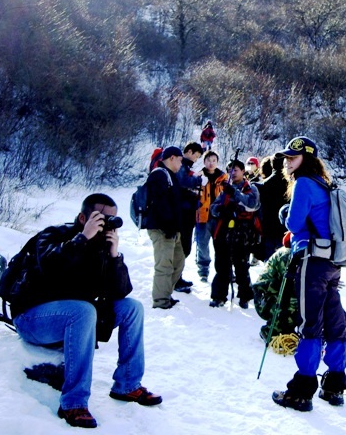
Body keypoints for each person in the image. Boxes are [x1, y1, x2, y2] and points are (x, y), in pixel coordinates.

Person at [11, 193, 161, 429]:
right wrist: (82, 238)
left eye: (112, 219)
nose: (106, 224)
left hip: (72, 315)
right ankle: (73, 403)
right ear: (83, 217)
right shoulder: (54, 234)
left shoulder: (101, 247)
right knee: (83, 310)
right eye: (101, 218)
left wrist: (114, 256)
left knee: (133, 308)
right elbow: (50, 267)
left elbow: (120, 291)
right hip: (32, 317)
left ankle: (127, 385)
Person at [272, 136, 346, 412]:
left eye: (293, 156)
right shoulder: (324, 183)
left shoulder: (304, 183)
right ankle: (335, 385)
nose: (288, 160)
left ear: (308, 158)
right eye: (286, 157)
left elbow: (294, 223)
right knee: (335, 321)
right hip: (332, 262)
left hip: (311, 261)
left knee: (310, 325)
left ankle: (301, 391)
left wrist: (284, 213)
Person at [209, 159, 260, 309]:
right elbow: (213, 207)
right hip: (224, 233)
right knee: (222, 265)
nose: (233, 173)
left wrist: (236, 194)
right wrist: (220, 210)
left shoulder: (251, 188)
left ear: (243, 171)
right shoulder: (225, 190)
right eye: (230, 170)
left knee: (241, 267)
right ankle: (219, 296)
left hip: (242, 234)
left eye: (236, 170)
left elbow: (252, 205)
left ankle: (245, 297)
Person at [147, 146, 185, 309]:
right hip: (162, 229)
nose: (181, 163)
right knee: (164, 265)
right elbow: (159, 204)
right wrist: (169, 226)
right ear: (171, 158)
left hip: (172, 229)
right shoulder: (159, 175)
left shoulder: (170, 176)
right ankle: (161, 301)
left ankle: (166, 295)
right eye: (180, 160)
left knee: (178, 262)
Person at [174, 141, 204, 293]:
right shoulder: (181, 165)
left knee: (184, 248)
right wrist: (197, 180)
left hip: (187, 214)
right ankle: (175, 279)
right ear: (190, 152)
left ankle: (177, 277)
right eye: (196, 156)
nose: (196, 159)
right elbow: (181, 183)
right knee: (182, 248)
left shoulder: (185, 167)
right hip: (182, 215)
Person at [194, 150, 228, 283]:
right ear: (204, 162)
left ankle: (223, 270)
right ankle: (203, 270)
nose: (211, 163)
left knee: (220, 244)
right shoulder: (199, 176)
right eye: (208, 160)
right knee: (202, 244)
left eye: (214, 160)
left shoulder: (223, 178)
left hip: (219, 217)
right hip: (203, 216)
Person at [254, 154, 289, 261]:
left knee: (269, 263)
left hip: (267, 228)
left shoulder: (261, 186)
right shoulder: (292, 185)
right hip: (284, 229)